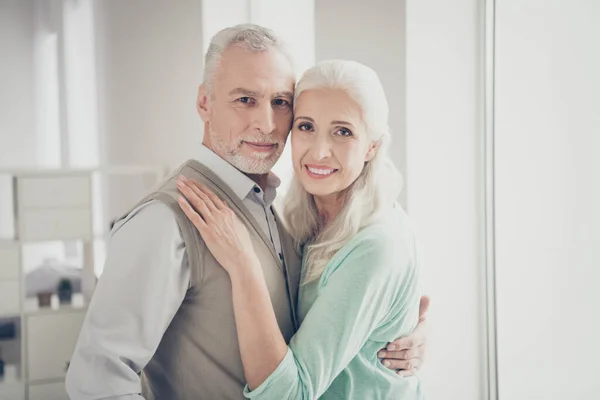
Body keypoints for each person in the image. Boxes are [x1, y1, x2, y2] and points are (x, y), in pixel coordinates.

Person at [66, 24, 428, 400]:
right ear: (204, 102)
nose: (266, 124)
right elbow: (97, 383)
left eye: (280, 102)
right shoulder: (164, 222)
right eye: (245, 100)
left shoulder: (277, 207)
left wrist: (394, 330)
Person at [177, 59, 423, 399]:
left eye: (343, 132)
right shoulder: (298, 216)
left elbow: (291, 395)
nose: (319, 152)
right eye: (306, 127)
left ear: (372, 146)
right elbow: (410, 305)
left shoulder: (376, 245)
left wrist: (243, 264)